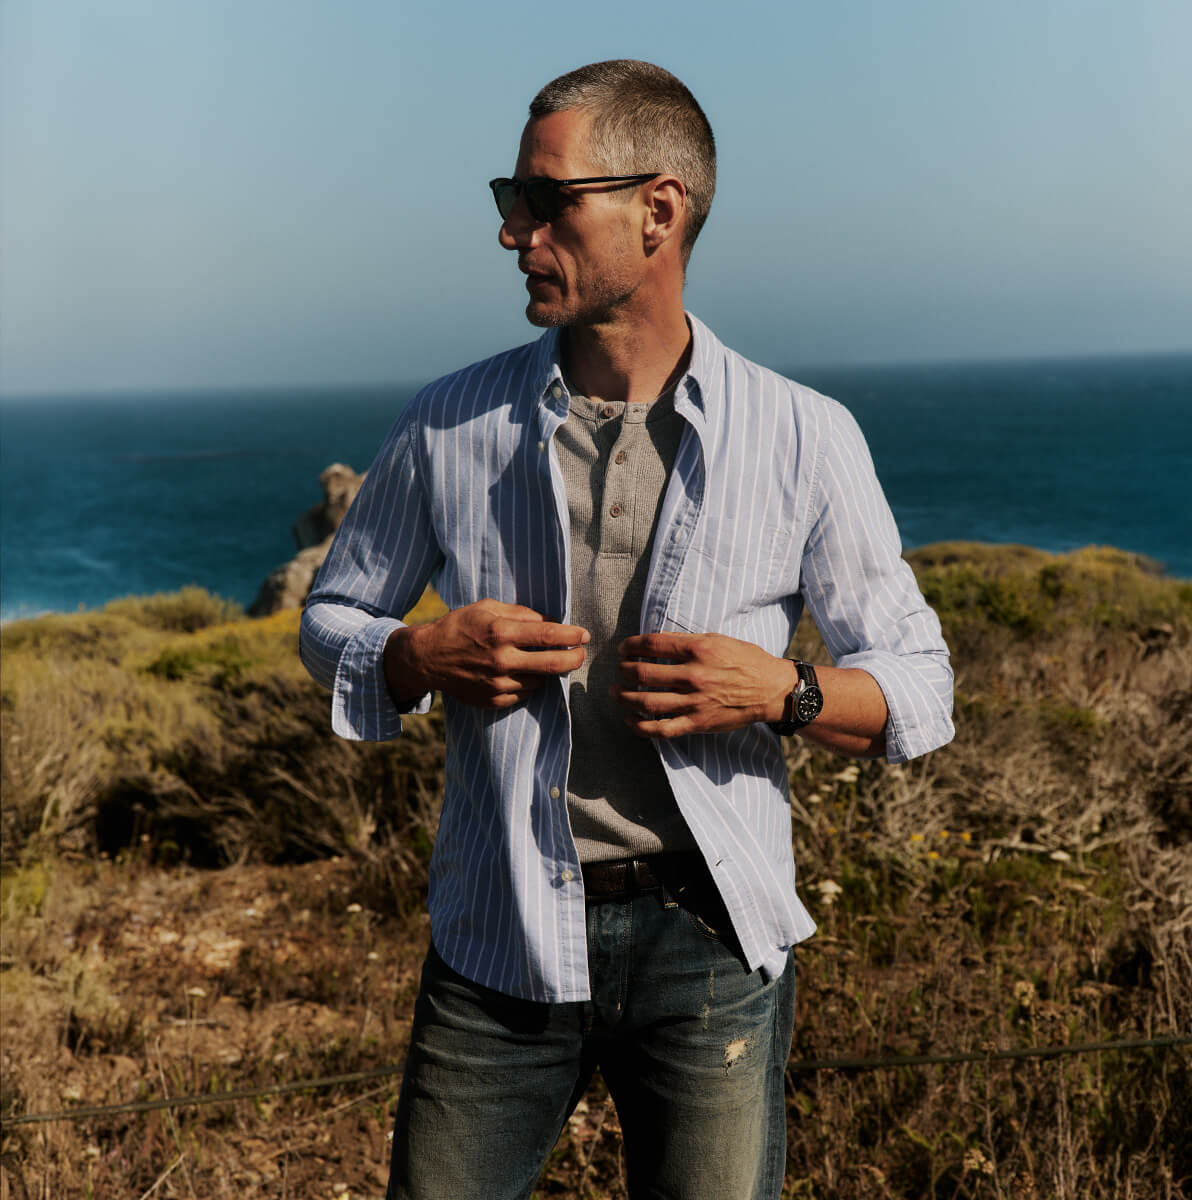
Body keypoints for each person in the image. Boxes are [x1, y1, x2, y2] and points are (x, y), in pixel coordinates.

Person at [300, 59, 953, 1200]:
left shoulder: (805, 436)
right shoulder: (447, 420)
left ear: (659, 210)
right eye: (510, 197)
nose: (514, 231)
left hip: (711, 941)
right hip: (497, 936)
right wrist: (415, 653)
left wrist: (781, 692)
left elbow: (920, 687)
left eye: (545, 199)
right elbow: (331, 617)